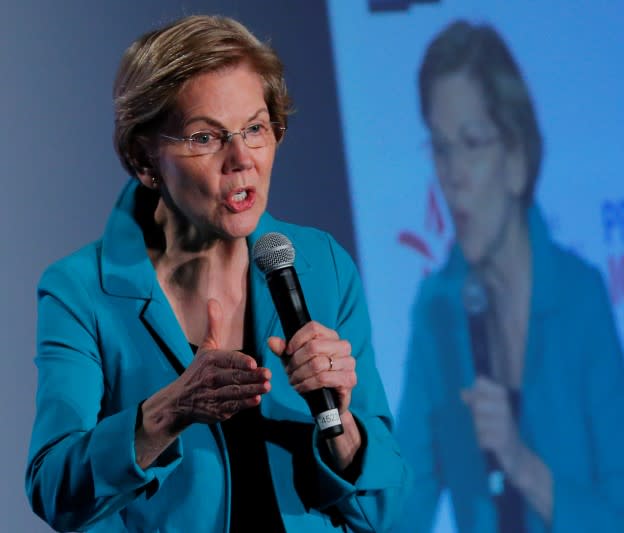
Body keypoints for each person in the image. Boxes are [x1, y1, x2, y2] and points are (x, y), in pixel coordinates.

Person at [25, 15, 410, 533]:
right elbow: (56, 493)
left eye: (255, 129)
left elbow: (385, 512)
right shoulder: (81, 291)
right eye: (204, 137)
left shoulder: (322, 264)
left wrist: (340, 424)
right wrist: (168, 412)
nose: (241, 160)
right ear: (145, 160)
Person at [394, 20, 624, 533]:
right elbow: (404, 504)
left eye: (471, 144)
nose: (453, 175)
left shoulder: (580, 299)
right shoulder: (438, 309)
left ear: (516, 157)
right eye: (442, 149)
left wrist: (522, 463)